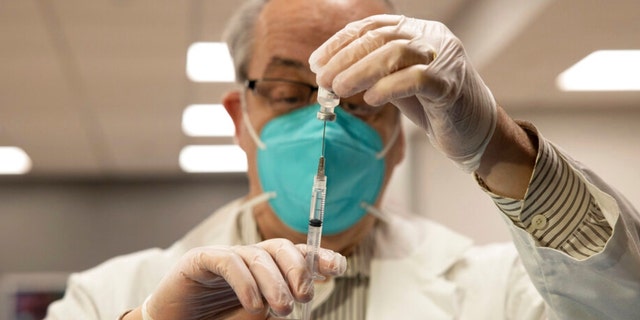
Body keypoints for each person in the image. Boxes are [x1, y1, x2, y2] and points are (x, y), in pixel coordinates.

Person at [47, 0, 640, 319]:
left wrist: (498, 146)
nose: (324, 123)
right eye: (285, 94)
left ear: (404, 133)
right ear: (238, 118)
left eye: (360, 99)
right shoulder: (108, 297)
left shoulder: (498, 294)